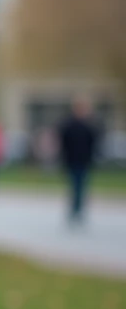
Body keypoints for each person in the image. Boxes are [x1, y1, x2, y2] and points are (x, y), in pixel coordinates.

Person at [58, 95, 101, 225]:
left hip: (84, 160)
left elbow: (93, 143)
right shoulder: (69, 125)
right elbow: (64, 143)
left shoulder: (89, 125)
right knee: (75, 185)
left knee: (81, 186)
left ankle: (78, 208)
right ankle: (75, 209)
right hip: (72, 160)